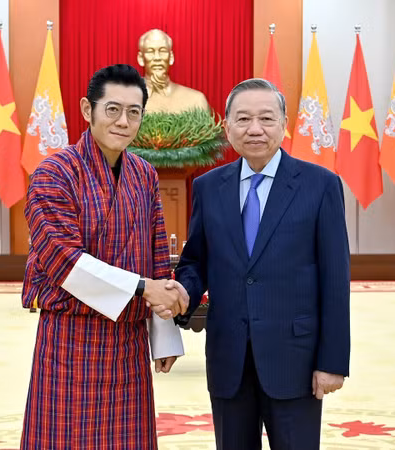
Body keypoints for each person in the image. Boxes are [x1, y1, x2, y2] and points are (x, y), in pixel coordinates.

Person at [173, 78, 351, 449]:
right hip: (228, 358)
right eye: (243, 119)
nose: (255, 129)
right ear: (227, 127)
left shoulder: (320, 185)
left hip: (296, 361)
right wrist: (180, 293)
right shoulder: (208, 187)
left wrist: (332, 360)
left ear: (284, 124)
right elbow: (196, 262)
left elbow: (335, 280)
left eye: (266, 119)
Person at [19, 64, 189, 449]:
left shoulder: (143, 174)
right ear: (87, 109)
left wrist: (163, 336)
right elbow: (64, 261)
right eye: (112, 109)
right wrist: (145, 288)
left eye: (134, 112)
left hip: (127, 340)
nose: (123, 121)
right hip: (70, 337)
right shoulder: (54, 174)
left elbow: (156, 253)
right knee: (64, 439)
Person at [137, 28, 210, 113]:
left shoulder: (196, 101)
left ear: (171, 57)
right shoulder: (125, 100)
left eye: (163, 51)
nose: (157, 58)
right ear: (141, 58)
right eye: (150, 51)